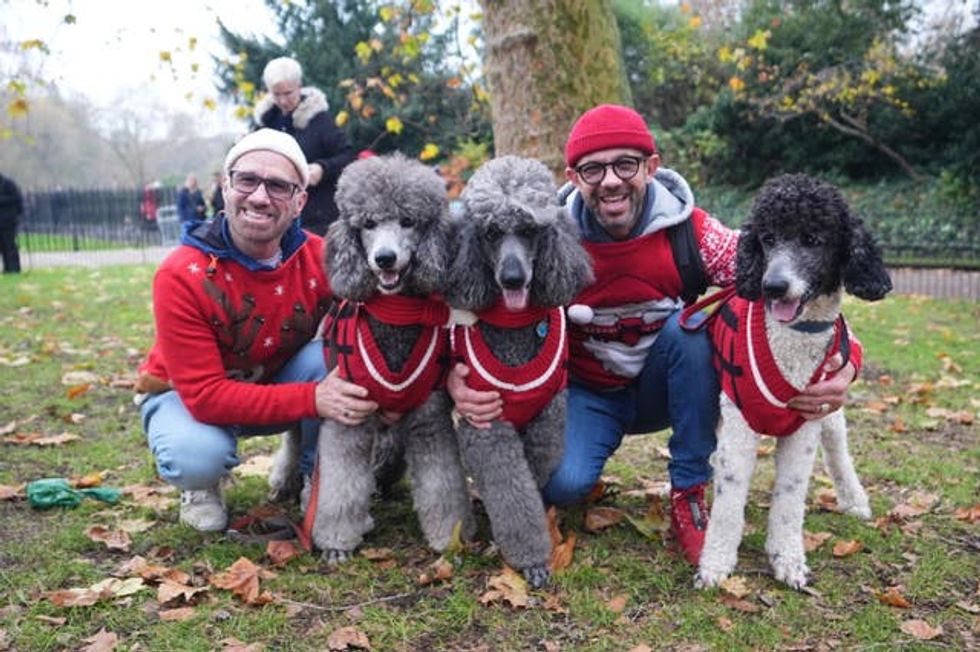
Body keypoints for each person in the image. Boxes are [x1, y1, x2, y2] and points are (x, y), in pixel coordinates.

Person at [448, 104, 859, 565]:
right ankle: (578, 467)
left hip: (671, 383)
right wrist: (453, 377)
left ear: (651, 166)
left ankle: (688, 491)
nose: (609, 181)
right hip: (586, 392)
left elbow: (785, 279)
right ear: (574, 175)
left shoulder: (693, 232)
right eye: (593, 169)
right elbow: (465, 304)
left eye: (625, 164)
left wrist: (846, 357)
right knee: (563, 484)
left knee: (690, 330)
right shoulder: (545, 234)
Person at [134, 129, 381, 532]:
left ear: (300, 200)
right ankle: (200, 485)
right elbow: (206, 396)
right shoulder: (180, 273)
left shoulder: (321, 257)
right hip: (184, 396)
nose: (260, 197)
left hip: (272, 381)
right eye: (247, 180)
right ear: (225, 186)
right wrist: (313, 398)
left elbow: (386, 311)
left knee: (344, 356)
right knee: (195, 456)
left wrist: (454, 363)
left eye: (279, 186)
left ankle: (315, 475)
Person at [253, 56, 355, 236]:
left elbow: (348, 156)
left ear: (299, 86)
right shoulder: (265, 124)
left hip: (317, 219)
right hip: (274, 216)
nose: (283, 101)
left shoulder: (320, 120)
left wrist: (322, 169)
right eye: (276, 94)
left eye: (288, 93)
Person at [0, 172, 23, 273]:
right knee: (3, 245)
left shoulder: (8, 184)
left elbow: (17, 199)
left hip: (8, 220)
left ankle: (13, 267)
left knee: (9, 244)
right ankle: (7, 267)